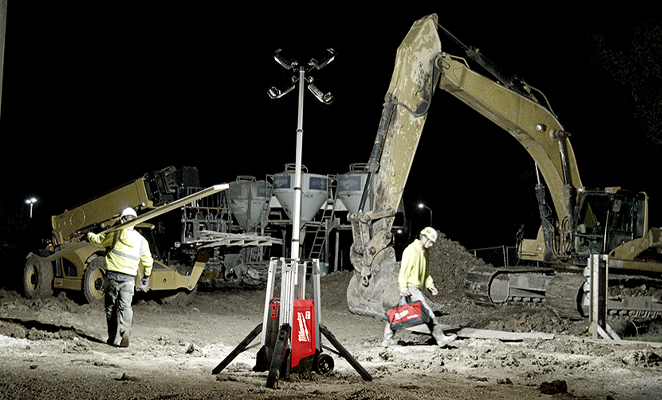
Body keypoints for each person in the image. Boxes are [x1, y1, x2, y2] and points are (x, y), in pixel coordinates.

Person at [87, 207, 153, 347]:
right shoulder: (142, 241)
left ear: (122, 220)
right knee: (126, 307)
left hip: (111, 276)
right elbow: (148, 260)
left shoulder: (115, 234)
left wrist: (89, 235)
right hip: (129, 279)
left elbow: (98, 240)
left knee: (111, 307)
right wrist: (146, 275)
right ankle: (126, 332)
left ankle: (112, 337)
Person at [382, 227, 457, 348]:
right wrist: (403, 287)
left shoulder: (424, 252)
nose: (431, 245)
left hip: (415, 287)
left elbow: (425, 272)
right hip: (411, 288)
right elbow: (404, 270)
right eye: (430, 242)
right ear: (423, 238)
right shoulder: (411, 250)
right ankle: (441, 339)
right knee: (428, 312)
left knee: (399, 314)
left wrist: (430, 285)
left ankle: (387, 340)